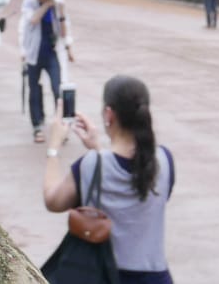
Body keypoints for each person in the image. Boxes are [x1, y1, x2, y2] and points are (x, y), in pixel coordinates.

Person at [43, 75, 174, 284]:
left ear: (108, 114)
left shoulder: (91, 164)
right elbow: (132, 178)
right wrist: (98, 149)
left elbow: (53, 201)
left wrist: (53, 148)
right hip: (155, 277)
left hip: (105, 276)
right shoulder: (164, 161)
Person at [22, 0, 75, 142]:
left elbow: (64, 32)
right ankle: (37, 126)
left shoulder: (58, 3)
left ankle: (61, 125)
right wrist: (46, 5)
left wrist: (61, 12)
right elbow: (33, 19)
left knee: (57, 87)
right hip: (34, 54)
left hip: (51, 53)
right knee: (35, 90)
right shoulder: (30, 2)